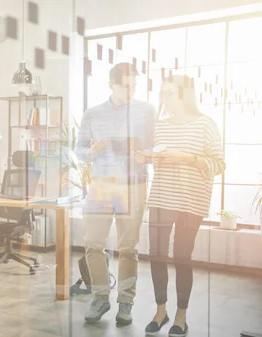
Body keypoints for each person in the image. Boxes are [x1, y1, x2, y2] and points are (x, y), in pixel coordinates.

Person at [138, 75, 225, 336]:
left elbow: (218, 164)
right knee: (156, 256)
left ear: (184, 95)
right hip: (162, 198)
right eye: (162, 93)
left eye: (170, 94)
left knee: (182, 258)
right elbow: (160, 161)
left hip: (191, 201)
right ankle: (161, 310)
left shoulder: (205, 125)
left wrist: (186, 157)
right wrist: (147, 157)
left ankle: (181, 316)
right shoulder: (161, 127)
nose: (164, 99)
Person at [76, 62, 156, 325]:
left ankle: (126, 302)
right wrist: (92, 151)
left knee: (128, 248)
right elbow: (79, 151)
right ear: (111, 84)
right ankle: (100, 297)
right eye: (125, 86)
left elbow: (154, 148)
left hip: (134, 184)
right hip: (102, 184)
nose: (130, 90)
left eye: (134, 86)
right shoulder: (92, 113)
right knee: (93, 244)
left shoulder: (147, 111)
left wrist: (144, 154)